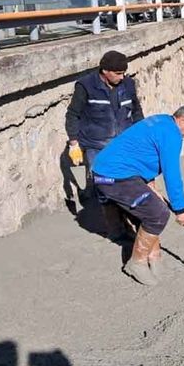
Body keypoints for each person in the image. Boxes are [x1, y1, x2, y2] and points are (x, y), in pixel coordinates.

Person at [91, 105, 184, 285]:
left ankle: (154, 255)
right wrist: (181, 209)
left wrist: (150, 182)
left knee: (149, 207)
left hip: (117, 171)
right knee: (158, 214)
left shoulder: (161, 121)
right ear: (183, 121)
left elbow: (142, 151)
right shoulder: (172, 134)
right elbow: (172, 173)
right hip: (113, 176)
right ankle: (137, 263)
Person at [65, 50, 144, 240]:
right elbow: (73, 114)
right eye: (118, 73)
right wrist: (73, 142)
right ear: (105, 71)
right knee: (105, 187)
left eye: (123, 72)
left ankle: (130, 224)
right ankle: (115, 228)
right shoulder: (85, 86)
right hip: (96, 146)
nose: (122, 76)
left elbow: (136, 110)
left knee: (127, 185)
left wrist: (141, 135)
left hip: (124, 145)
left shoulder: (128, 84)